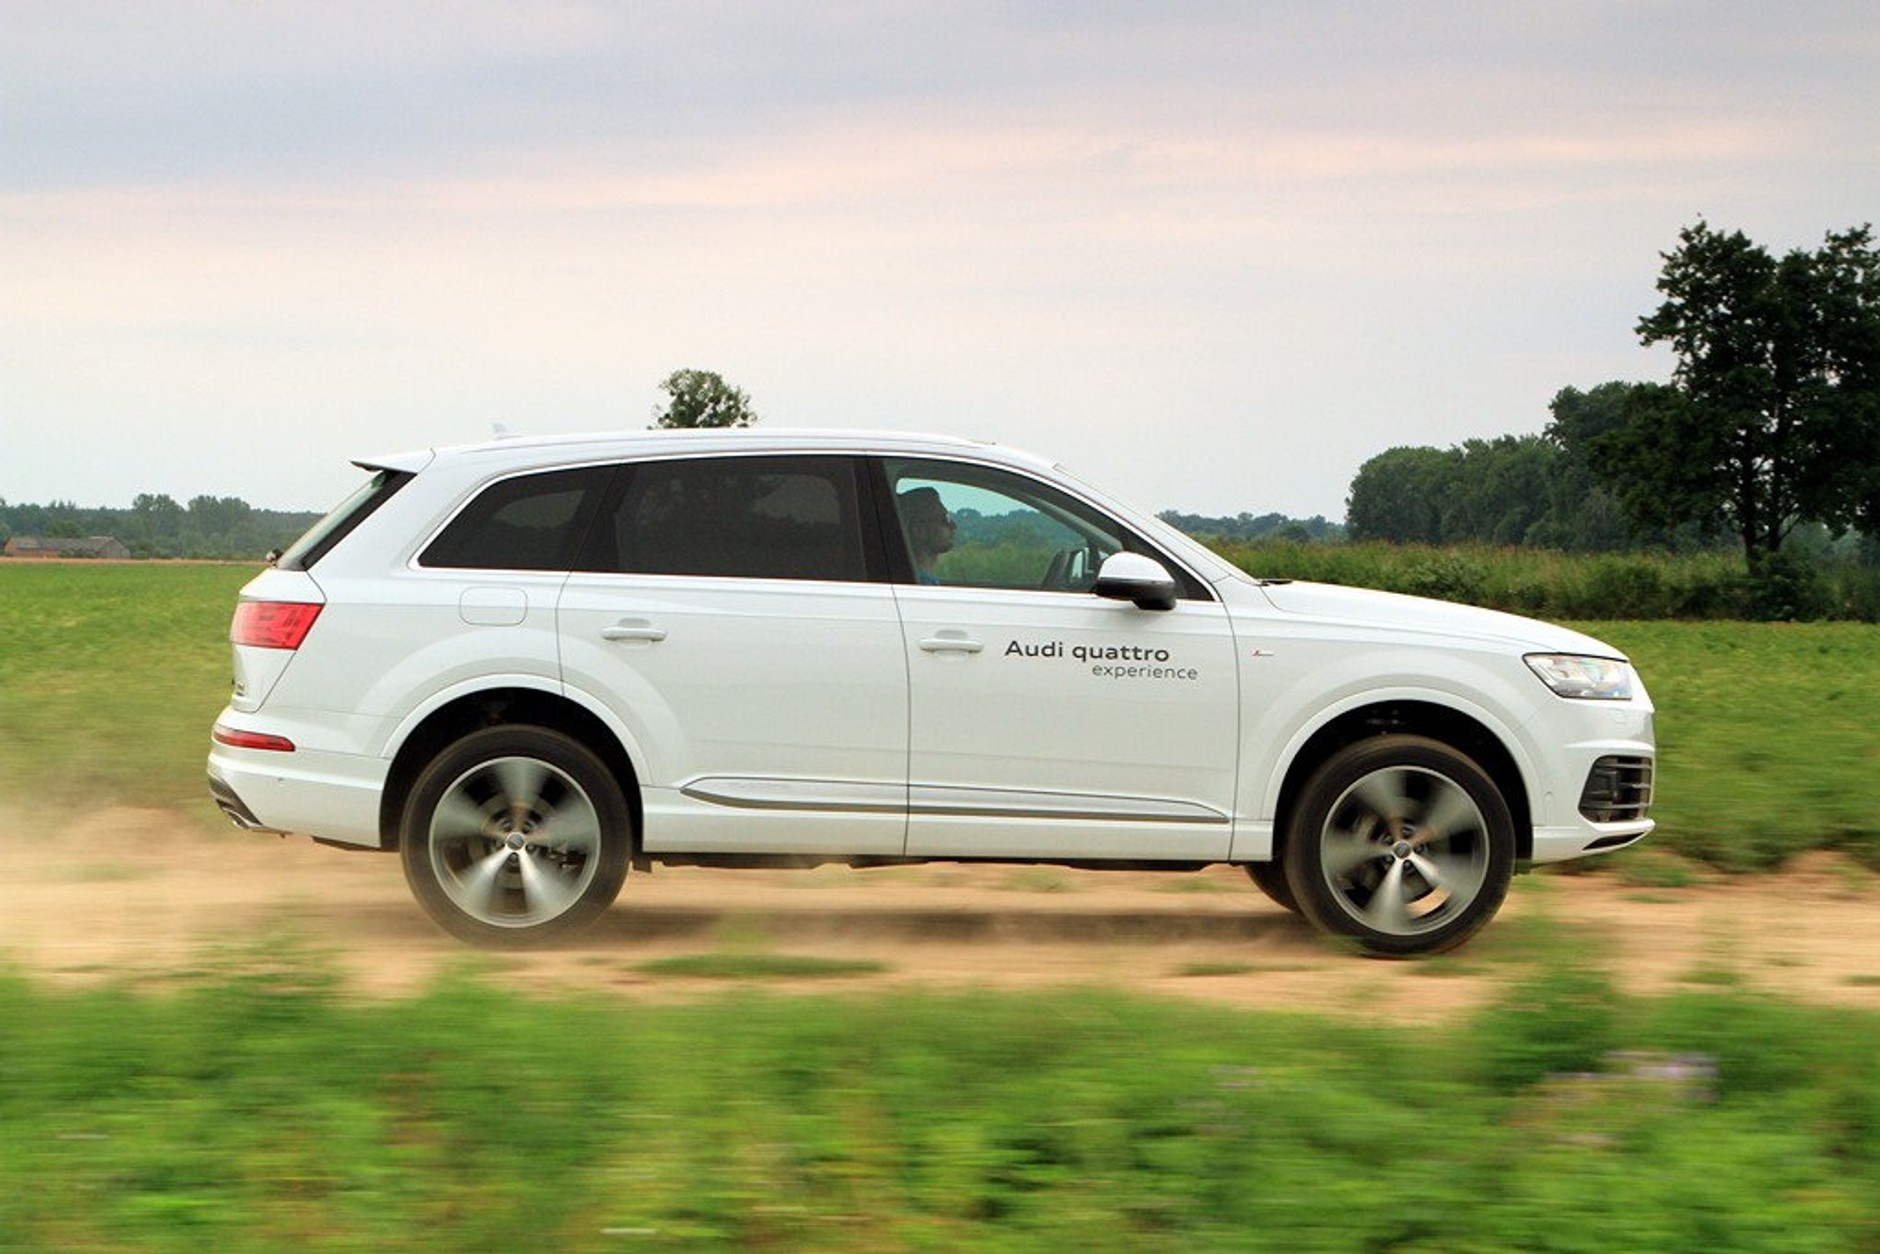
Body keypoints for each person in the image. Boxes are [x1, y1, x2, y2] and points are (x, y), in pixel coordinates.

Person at [898, 486, 956, 583]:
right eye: (944, 519)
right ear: (918, 529)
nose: (953, 526)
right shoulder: (918, 583)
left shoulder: (916, 579)